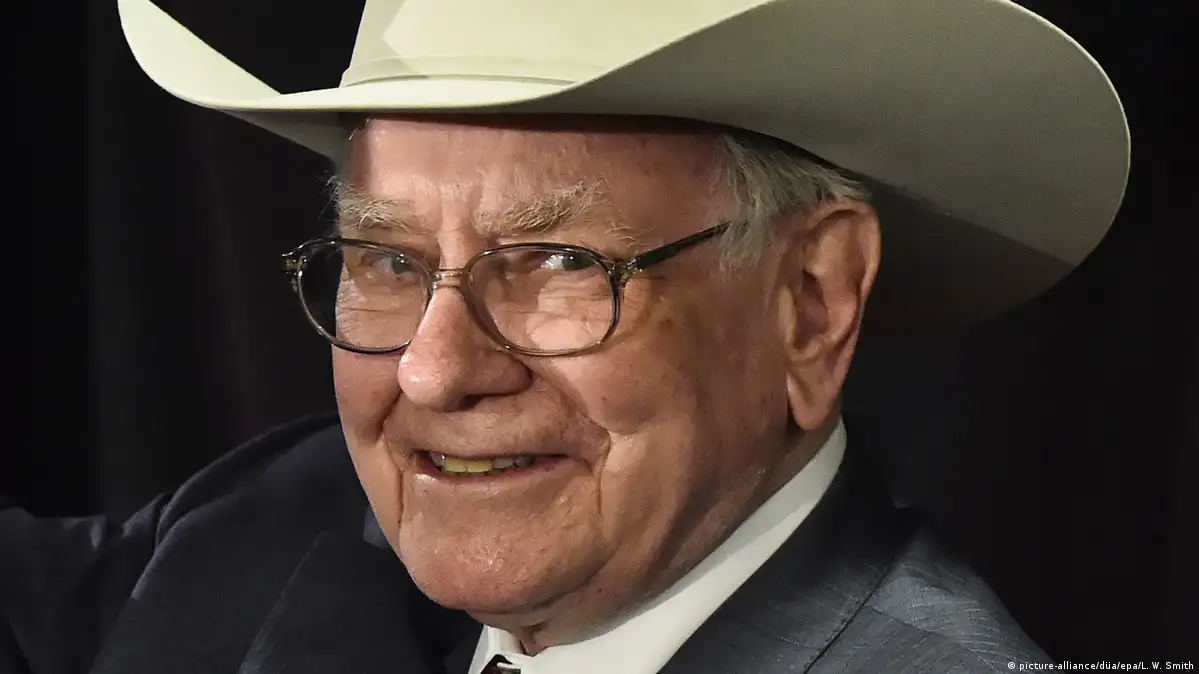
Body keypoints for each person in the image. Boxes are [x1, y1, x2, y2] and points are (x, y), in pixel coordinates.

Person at [2, 0, 1130, 672]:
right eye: (388, 260)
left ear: (810, 303)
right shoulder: (288, 518)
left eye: (557, 261)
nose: (434, 372)